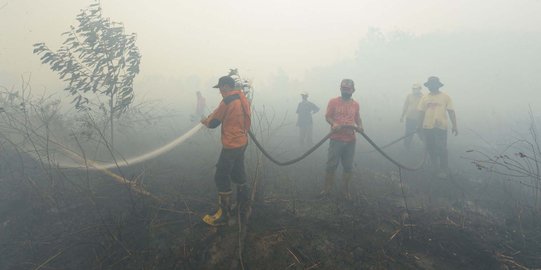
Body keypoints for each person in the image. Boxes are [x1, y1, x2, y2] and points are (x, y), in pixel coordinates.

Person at [201, 76, 251, 226]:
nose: (220, 92)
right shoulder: (242, 98)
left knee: (221, 176)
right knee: (238, 174)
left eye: (221, 88)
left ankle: (224, 215)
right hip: (242, 142)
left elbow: (213, 123)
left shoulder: (228, 100)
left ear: (226, 87)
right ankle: (244, 208)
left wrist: (205, 120)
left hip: (231, 145)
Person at [321, 79, 363, 200]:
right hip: (336, 138)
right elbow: (328, 116)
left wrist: (360, 126)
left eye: (348, 89)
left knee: (348, 167)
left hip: (350, 140)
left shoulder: (355, 104)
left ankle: (345, 191)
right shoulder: (333, 102)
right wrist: (334, 124)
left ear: (353, 90)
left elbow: (358, 118)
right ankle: (327, 190)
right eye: (343, 89)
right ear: (340, 89)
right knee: (331, 165)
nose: (345, 91)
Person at [417, 76, 458, 178]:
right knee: (430, 148)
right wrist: (419, 126)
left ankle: (444, 169)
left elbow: (451, 112)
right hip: (427, 126)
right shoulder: (424, 98)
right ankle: (435, 168)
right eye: (430, 85)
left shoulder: (445, 97)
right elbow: (421, 112)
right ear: (428, 86)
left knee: (442, 149)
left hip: (441, 127)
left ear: (438, 86)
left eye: (434, 85)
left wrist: (455, 125)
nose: (432, 87)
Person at [400, 83, 424, 149]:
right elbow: (405, 106)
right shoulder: (409, 96)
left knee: (421, 133)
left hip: (419, 119)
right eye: (414, 89)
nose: (415, 90)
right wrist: (402, 116)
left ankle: (426, 147)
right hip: (410, 118)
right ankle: (406, 147)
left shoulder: (423, 97)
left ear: (419, 89)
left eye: (416, 89)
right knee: (408, 133)